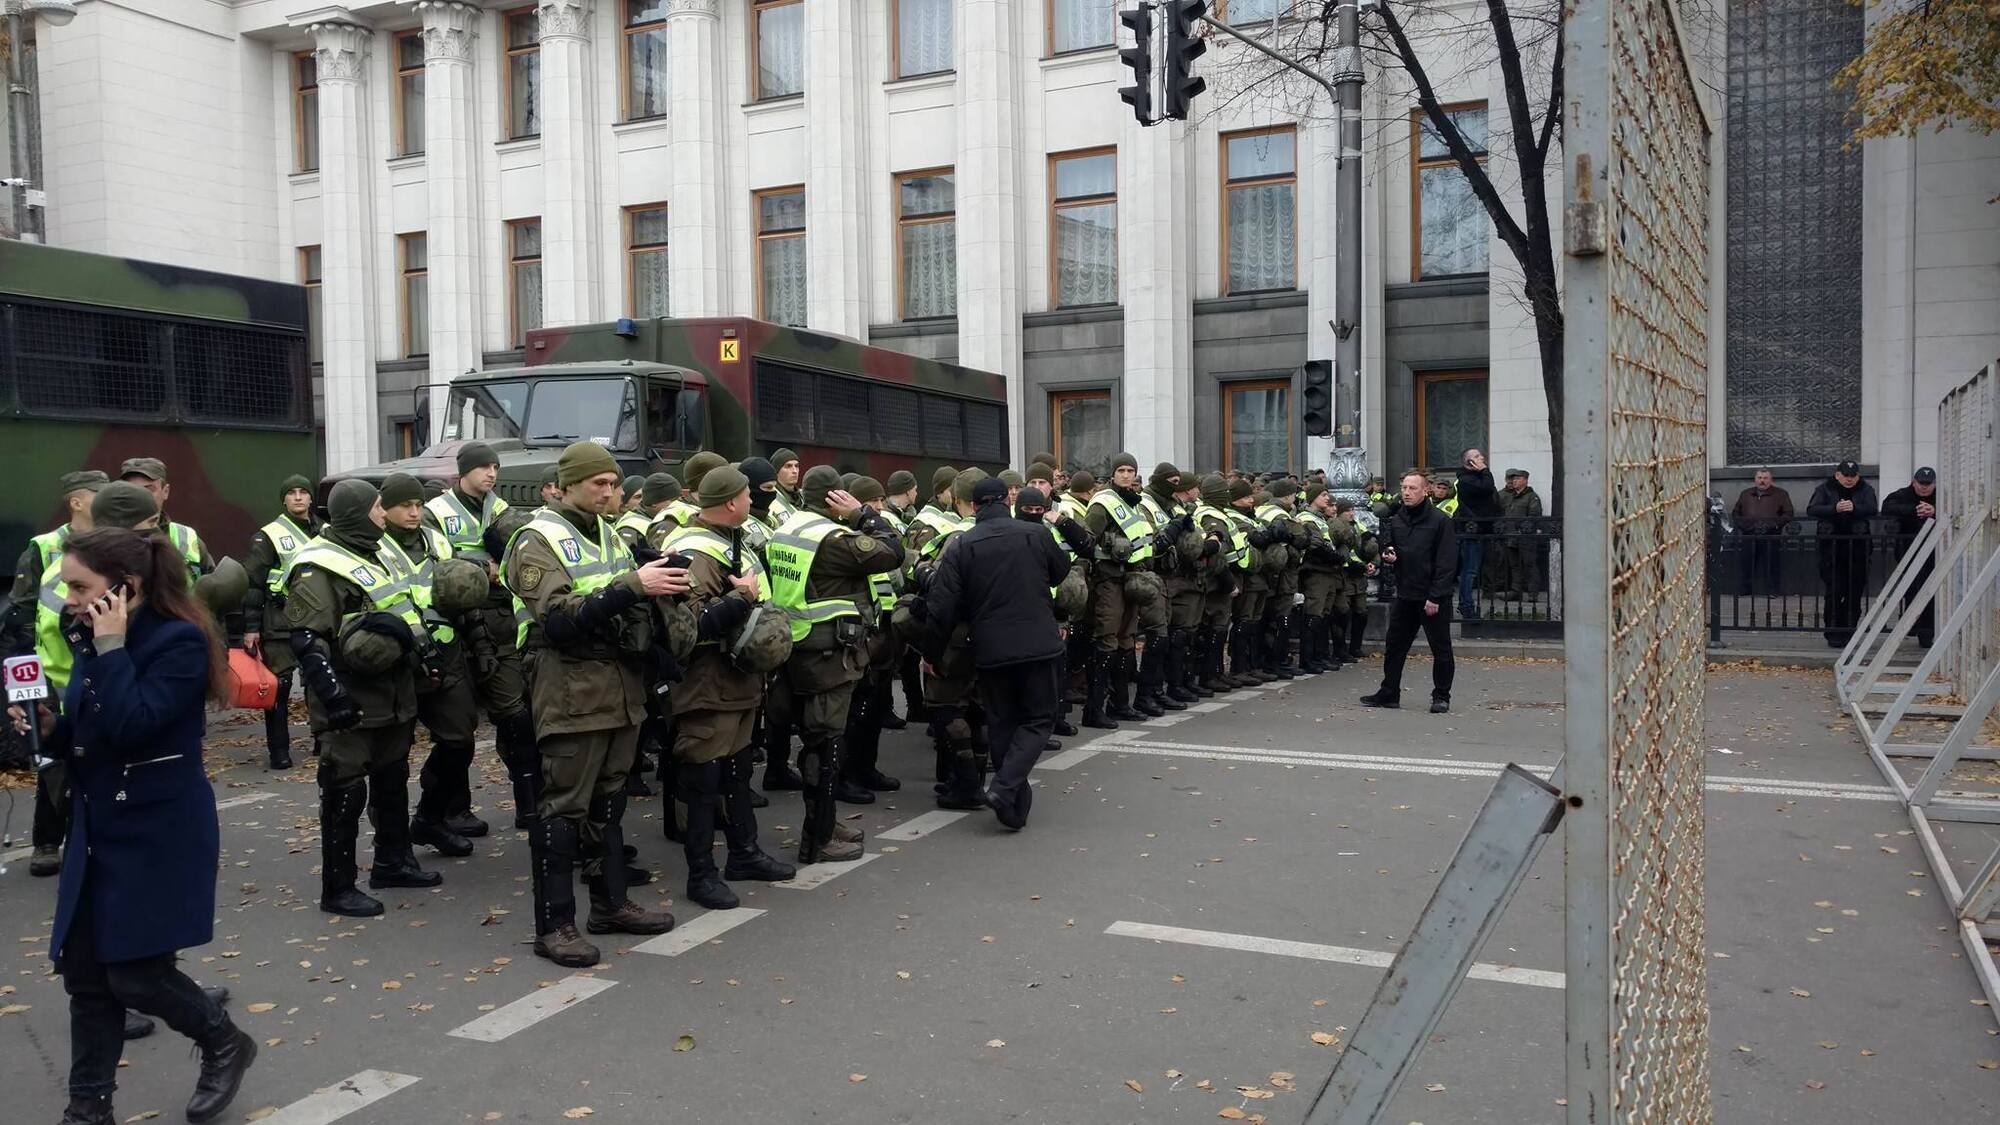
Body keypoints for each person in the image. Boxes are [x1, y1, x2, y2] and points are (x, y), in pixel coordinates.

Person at [11, 528, 257, 1125]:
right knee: (88, 976)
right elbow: (94, 732)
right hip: (99, 826)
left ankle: (224, 1040)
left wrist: (113, 647)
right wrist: (50, 728)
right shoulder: (96, 638)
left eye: (78, 586)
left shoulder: (178, 642)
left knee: (138, 975)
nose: (68, 598)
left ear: (128, 587)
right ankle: (87, 1109)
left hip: (158, 828)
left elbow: (134, 725)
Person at [505, 443, 683, 966]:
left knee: (610, 801)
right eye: (598, 484)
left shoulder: (609, 531)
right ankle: (554, 925)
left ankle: (609, 905)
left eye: (613, 483)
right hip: (571, 688)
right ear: (566, 484)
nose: (610, 492)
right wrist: (634, 585)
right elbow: (557, 619)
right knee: (563, 805)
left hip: (620, 685)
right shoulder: (537, 538)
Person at [286, 481, 441, 918]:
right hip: (351, 698)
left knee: (392, 780)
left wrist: (425, 658)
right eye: (376, 507)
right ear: (356, 513)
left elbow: (404, 609)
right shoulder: (318, 566)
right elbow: (306, 639)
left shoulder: (380, 550)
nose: (382, 513)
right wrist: (333, 697)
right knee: (344, 791)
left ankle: (393, 862)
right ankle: (338, 887)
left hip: (394, 692)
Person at [656, 465, 797, 909]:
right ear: (732, 501)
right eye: (744, 496)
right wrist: (741, 598)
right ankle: (701, 874)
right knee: (702, 777)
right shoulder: (693, 550)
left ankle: (744, 853)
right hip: (705, 683)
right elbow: (687, 627)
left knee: (736, 770)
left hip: (737, 680)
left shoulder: (729, 541)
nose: (751, 501)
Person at [922, 480, 1085, 830]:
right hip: (1038, 644)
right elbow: (1061, 571)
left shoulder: (963, 545)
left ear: (974, 506)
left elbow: (941, 608)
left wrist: (932, 654)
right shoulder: (1035, 535)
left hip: (991, 648)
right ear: (1007, 502)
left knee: (1003, 721)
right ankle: (1004, 786)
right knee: (1039, 719)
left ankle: (1012, 809)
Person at [765, 465, 906, 860]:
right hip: (826, 656)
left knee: (817, 739)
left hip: (796, 647)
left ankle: (826, 821)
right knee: (825, 744)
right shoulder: (831, 538)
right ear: (835, 498)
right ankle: (818, 838)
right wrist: (862, 514)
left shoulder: (789, 528)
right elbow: (891, 551)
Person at [2, 470, 106, 878]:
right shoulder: (44, 548)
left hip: (95, 670)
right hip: (51, 673)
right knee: (52, 762)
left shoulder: (111, 545)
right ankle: (47, 841)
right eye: (98, 494)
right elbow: (22, 615)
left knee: (94, 755)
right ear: (76, 502)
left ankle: (88, 838)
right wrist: (26, 683)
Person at [378, 473, 488, 857]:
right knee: (390, 759)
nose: (413, 512)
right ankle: (391, 849)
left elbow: (461, 596)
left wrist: (480, 645)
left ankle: (430, 817)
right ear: (385, 508)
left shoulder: (436, 539)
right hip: (397, 663)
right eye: (404, 505)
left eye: (417, 505)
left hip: (445, 656)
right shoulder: (373, 546)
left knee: (460, 739)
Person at [241, 474, 321, 771]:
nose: (298, 497)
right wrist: (250, 627)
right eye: (292, 493)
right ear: (284, 500)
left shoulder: (325, 531)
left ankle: (321, 741)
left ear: (311, 498)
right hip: (279, 621)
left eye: (303, 492)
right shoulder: (269, 535)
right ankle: (279, 751)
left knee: (318, 681)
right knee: (280, 688)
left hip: (316, 619)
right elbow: (253, 583)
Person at [1361, 471, 1457, 713]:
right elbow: (1391, 546)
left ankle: (1441, 696)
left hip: (1432, 597)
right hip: (1405, 594)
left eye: (1413, 488)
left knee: (1441, 648)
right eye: (1404, 487)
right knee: (1394, 645)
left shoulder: (1440, 521)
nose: (1406, 492)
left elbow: (1446, 562)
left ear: (1426, 491)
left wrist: (1435, 596)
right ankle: (1389, 692)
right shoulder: (1398, 519)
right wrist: (1389, 554)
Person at [1807, 460, 1879, 648]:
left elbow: (1872, 508)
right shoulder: (1824, 489)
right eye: (1846, 476)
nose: (1849, 480)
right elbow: (1812, 509)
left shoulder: (1866, 489)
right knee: (1834, 591)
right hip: (1831, 549)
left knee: (1854, 592)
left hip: (1858, 548)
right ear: (1838, 475)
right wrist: (1834, 509)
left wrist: (1854, 508)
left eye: (1853, 476)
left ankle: (1849, 630)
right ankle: (1833, 632)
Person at [118, 458, 212, 581]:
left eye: (148, 489)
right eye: (132, 490)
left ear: (165, 491)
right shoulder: (107, 540)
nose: (140, 497)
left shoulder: (187, 538)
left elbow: (211, 590)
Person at [1882, 466, 1939, 646]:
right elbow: (1887, 507)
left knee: (1931, 590)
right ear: (1913, 482)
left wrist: (1934, 511)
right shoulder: (1902, 494)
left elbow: (1954, 511)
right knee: (1911, 589)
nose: (1924, 488)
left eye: (1928, 484)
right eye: (1921, 483)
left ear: (1934, 484)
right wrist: (1915, 509)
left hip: (1934, 552)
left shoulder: (1941, 496)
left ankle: (1926, 633)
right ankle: (1914, 625)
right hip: (1908, 550)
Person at [1292, 483, 1345, 673]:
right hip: (1315, 571)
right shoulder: (1307, 518)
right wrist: (1335, 557)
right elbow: (1315, 545)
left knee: (1323, 615)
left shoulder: (1318, 518)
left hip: (1327, 571)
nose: (1327, 499)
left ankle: (1319, 656)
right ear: (1313, 497)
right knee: (1313, 614)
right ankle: (1308, 659)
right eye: (1323, 495)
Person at [1730, 468, 1794, 597]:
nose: (1762, 481)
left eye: (1765, 478)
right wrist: (1746, 526)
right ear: (1755, 479)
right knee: (1747, 563)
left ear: (1771, 480)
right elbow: (1736, 513)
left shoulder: (1781, 494)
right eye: (1759, 478)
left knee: (1771, 564)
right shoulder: (1746, 494)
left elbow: (1788, 513)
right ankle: (1745, 589)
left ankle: (1772, 591)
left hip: (1771, 535)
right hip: (1749, 534)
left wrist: (1772, 525)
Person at [1451, 450, 1496, 621]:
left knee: (1473, 570)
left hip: (1480, 529)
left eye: (1481, 456)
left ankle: (1467, 605)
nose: (1482, 458)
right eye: (1477, 457)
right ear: (1469, 463)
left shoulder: (1475, 478)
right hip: (1470, 530)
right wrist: (1485, 470)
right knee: (1469, 571)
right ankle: (1466, 606)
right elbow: (1487, 487)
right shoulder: (1465, 480)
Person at [1489, 468, 1544, 602]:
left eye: (1518, 479)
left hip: (1525, 537)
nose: (1514, 481)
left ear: (1525, 480)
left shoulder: (1531, 496)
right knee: (1515, 566)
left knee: (1529, 565)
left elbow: (1534, 516)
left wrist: (1525, 531)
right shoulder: (1510, 496)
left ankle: (1532, 593)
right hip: (1510, 536)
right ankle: (1516, 591)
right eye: (1513, 479)